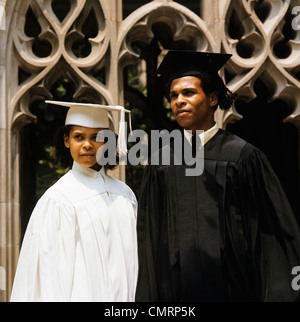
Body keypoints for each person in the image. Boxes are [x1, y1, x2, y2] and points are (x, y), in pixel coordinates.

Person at [135, 50, 300, 302]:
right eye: (173, 95)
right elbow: (148, 239)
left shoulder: (244, 158)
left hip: (235, 293)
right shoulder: (161, 162)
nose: (179, 100)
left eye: (188, 93)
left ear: (212, 98)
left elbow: (273, 235)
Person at [11, 101, 138, 302]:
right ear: (66, 140)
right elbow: (49, 276)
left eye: (97, 137)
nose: (87, 144)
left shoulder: (124, 194)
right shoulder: (58, 199)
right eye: (79, 137)